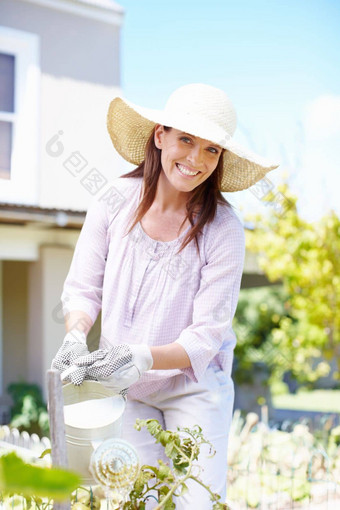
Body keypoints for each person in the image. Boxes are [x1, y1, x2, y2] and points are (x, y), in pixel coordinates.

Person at [51, 83, 279, 508]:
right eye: (186, 140)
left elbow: (205, 336)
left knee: (198, 501)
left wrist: (141, 356)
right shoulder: (113, 201)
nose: (195, 160)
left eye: (211, 150)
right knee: (142, 498)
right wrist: (75, 335)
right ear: (160, 137)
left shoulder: (223, 229)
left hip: (194, 387)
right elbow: (83, 289)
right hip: (125, 385)